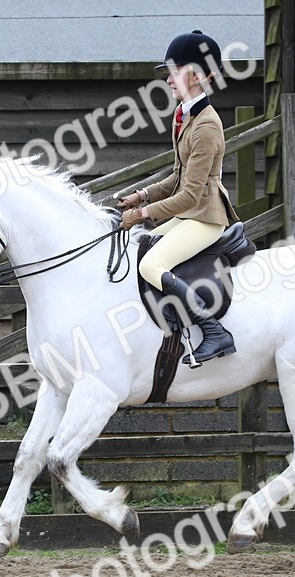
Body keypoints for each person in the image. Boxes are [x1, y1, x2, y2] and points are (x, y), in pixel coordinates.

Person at [118, 29, 241, 367]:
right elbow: (177, 177)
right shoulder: (188, 116)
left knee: (150, 264)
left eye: (175, 71)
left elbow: (189, 195)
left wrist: (144, 213)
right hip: (191, 212)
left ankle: (213, 331)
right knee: (137, 242)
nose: (169, 80)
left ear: (200, 75)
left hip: (205, 217)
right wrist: (140, 195)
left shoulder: (206, 127)